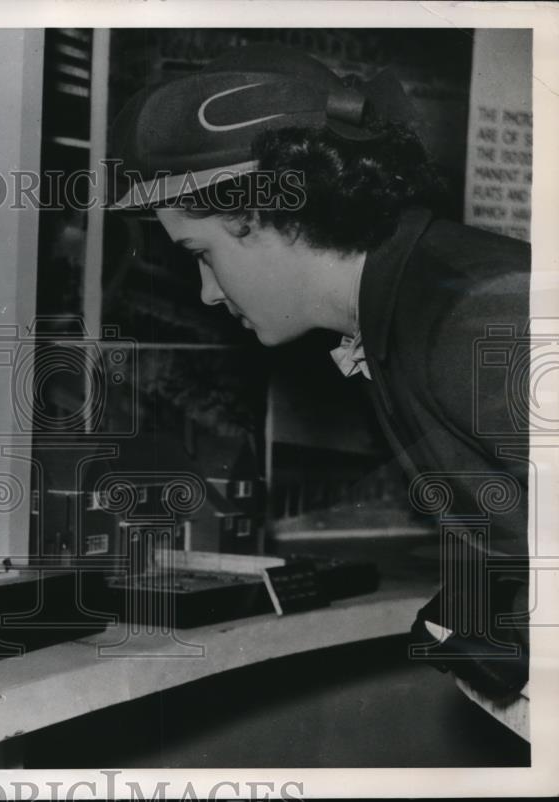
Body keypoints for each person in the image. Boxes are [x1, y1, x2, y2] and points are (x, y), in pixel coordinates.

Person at [109, 43, 530, 700]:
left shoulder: (472, 316)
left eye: (204, 255)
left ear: (271, 219)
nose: (207, 295)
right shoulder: (407, 303)